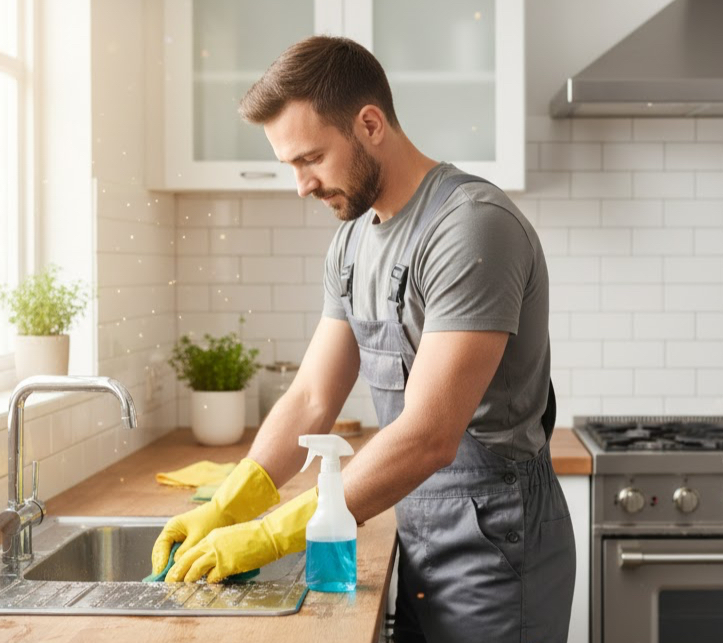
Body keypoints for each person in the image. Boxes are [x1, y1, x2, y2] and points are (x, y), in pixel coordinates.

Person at [151, 35, 575, 642]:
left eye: (310, 159)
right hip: (419, 527)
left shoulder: (472, 228)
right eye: (290, 165)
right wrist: (230, 502)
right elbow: (311, 400)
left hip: (499, 547)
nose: (301, 185)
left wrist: (274, 533)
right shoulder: (352, 242)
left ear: (370, 124)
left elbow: (429, 436)